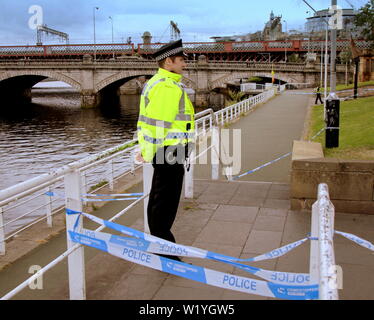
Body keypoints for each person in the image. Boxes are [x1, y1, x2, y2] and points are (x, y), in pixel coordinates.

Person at [136, 40, 195, 261]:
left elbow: (152, 124)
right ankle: (165, 250)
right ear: (169, 61)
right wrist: (150, 153)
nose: (184, 65)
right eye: (181, 60)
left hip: (167, 150)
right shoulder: (167, 87)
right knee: (166, 201)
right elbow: (156, 125)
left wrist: (148, 152)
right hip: (170, 150)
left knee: (160, 197)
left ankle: (160, 244)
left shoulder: (160, 83)